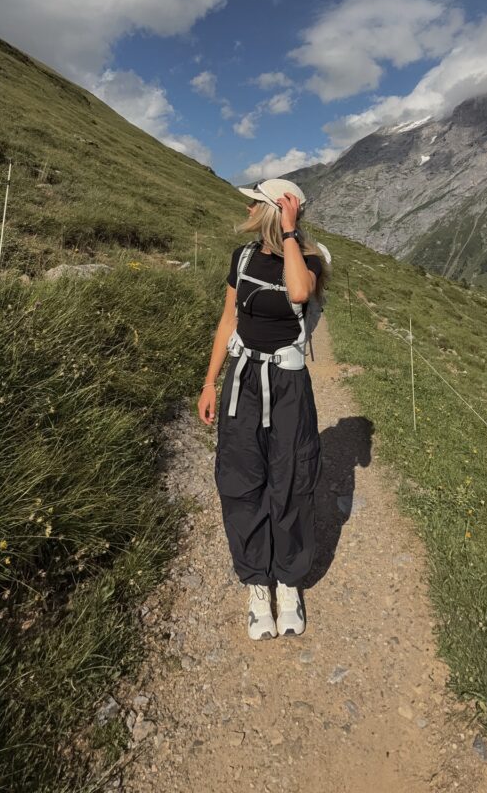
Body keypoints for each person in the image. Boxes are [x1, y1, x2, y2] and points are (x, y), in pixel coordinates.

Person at [197, 178, 329, 640]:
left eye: (257, 203)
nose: (249, 209)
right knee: (240, 476)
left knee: (290, 478)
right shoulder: (243, 257)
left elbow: (298, 293)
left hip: (289, 383)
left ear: (277, 210)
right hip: (243, 381)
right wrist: (210, 380)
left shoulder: (310, 259)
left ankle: (288, 583)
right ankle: (257, 582)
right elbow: (229, 318)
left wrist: (290, 234)